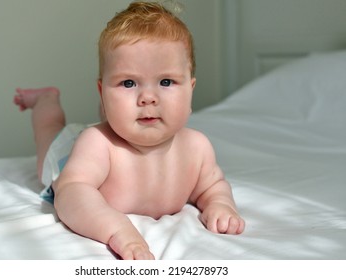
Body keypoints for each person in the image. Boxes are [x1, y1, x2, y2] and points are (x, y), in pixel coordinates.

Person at [13, 1, 245, 260]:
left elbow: (212, 185)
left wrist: (220, 204)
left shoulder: (197, 148)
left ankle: (115, 106)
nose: (148, 97)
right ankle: (46, 100)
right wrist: (116, 230)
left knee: (128, 112)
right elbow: (70, 195)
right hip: (70, 154)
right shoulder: (96, 144)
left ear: (190, 88)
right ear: (102, 92)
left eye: (166, 81)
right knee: (49, 132)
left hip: (114, 125)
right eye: (128, 82)